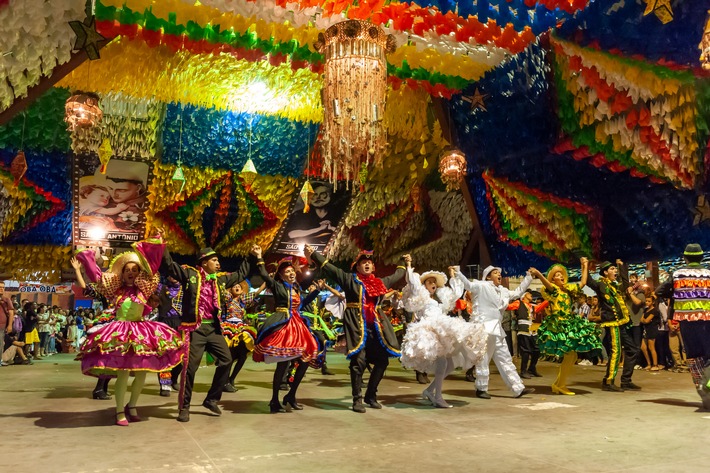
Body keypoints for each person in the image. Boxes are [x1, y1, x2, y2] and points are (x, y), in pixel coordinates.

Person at [74, 236, 184, 426]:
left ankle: (132, 406)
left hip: (141, 331)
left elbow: (153, 268)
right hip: (120, 332)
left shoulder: (144, 290)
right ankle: (119, 411)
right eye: (127, 270)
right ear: (122, 274)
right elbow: (97, 277)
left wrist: (157, 243)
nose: (131, 273)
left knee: (142, 372)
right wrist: (86, 259)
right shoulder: (115, 291)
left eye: (135, 270)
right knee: (123, 373)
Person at [160, 243, 259, 422]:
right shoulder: (190, 274)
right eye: (214, 260)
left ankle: (211, 399)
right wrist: (161, 243)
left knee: (227, 360)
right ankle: (185, 407)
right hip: (194, 328)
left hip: (213, 329)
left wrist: (251, 256)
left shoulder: (220, 280)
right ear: (204, 262)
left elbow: (240, 274)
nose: (218, 263)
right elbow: (169, 265)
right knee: (190, 369)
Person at [306, 246, 410, 413]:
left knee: (382, 361)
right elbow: (330, 268)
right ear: (357, 266)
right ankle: (357, 399)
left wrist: (404, 263)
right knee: (358, 362)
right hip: (357, 326)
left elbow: (397, 275)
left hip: (376, 328)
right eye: (363, 263)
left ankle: (371, 395)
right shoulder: (350, 280)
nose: (367, 265)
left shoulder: (380, 283)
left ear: (373, 267)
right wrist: (313, 254)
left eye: (369, 262)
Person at [400, 266, 486, 408]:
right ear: (424, 286)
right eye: (430, 282)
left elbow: (456, 294)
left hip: (442, 328)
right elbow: (414, 284)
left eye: (434, 282)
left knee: (450, 364)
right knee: (442, 363)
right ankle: (438, 396)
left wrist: (453, 276)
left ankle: (429, 391)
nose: (433, 284)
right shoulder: (422, 298)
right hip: (431, 330)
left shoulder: (439, 299)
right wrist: (409, 265)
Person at [452, 265, 536, 399]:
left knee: (505, 358)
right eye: (495, 273)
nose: (499, 275)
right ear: (488, 276)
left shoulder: (503, 291)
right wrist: (458, 272)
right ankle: (481, 388)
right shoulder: (481, 286)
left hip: (497, 329)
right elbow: (468, 284)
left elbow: (518, 292)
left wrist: (528, 278)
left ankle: (517, 388)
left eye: (499, 273)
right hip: (484, 328)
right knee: (483, 358)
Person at [253, 256, 324, 413]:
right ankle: (274, 400)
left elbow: (303, 304)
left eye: (292, 270)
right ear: (282, 275)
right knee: (283, 364)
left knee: (306, 359)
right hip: (285, 324)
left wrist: (317, 290)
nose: (291, 273)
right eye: (287, 271)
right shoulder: (278, 286)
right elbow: (265, 276)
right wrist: (259, 258)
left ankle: (291, 395)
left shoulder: (296, 289)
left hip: (298, 324)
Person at [530, 258, 602, 395]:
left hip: (568, 322)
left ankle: (558, 384)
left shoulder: (568, 290)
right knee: (570, 355)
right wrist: (539, 274)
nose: (560, 276)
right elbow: (546, 283)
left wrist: (584, 266)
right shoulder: (554, 290)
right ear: (553, 279)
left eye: (561, 274)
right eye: (557, 275)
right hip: (559, 324)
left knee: (573, 356)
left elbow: (583, 282)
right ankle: (560, 384)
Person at [656, 243, 710, 409]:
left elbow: (659, 291)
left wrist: (678, 293)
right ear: (702, 257)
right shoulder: (708, 273)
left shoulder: (677, 274)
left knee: (694, 356)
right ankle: (708, 383)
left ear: (685, 258)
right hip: (707, 319)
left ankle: (703, 389)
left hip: (686, 321)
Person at [585, 260, 641, 392]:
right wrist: (585, 265)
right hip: (611, 323)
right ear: (605, 272)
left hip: (622, 322)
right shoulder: (600, 284)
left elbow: (626, 285)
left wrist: (621, 266)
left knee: (633, 350)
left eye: (614, 269)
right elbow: (588, 281)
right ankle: (608, 381)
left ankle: (626, 381)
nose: (614, 271)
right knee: (616, 351)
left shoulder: (615, 286)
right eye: (612, 269)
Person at [222, 280, 264, 393]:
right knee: (229, 356)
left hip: (241, 327)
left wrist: (267, 281)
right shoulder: (227, 299)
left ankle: (232, 378)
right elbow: (221, 289)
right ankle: (224, 381)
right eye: (234, 286)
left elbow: (257, 292)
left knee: (243, 356)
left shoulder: (243, 301)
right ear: (230, 289)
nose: (236, 287)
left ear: (242, 290)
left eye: (239, 286)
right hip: (228, 327)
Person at [640, 294, 661, 371]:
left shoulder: (654, 310)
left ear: (653, 302)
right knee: (643, 347)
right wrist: (644, 321)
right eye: (646, 301)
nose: (647, 302)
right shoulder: (645, 310)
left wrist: (645, 321)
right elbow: (642, 320)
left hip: (652, 329)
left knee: (651, 347)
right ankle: (649, 363)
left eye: (649, 301)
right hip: (646, 330)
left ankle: (655, 364)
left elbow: (646, 320)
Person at [0, 281, 16, 366]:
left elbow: (11, 313)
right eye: (0, 287)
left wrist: (9, 325)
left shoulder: (6, 300)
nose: (1, 289)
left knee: (0, 343)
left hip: (1, 325)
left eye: (3, 287)